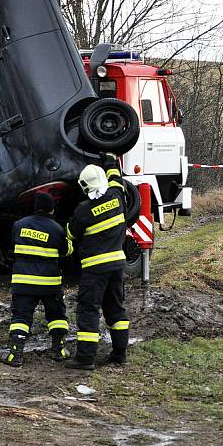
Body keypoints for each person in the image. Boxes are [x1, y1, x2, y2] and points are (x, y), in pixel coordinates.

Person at [65, 153, 129, 371]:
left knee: (89, 310)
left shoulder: (83, 210)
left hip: (95, 269)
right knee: (116, 310)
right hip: (117, 265)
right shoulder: (117, 195)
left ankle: (85, 359)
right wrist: (110, 160)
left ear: (85, 187)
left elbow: (71, 234)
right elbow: (116, 177)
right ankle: (120, 353)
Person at [2, 192, 69, 367]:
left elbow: (11, 246)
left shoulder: (18, 225)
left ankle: (15, 355)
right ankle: (59, 350)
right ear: (52, 209)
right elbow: (66, 251)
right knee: (56, 316)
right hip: (49, 284)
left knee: (21, 317)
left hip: (23, 283)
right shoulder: (56, 229)